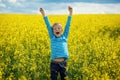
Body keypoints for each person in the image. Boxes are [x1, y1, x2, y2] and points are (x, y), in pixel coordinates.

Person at [39, 6, 73, 80]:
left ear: (62, 30)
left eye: (58, 28)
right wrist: (43, 14)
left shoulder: (64, 37)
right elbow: (48, 25)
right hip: (54, 64)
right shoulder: (52, 37)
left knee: (64, 78)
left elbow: (68, 25)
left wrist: (70, 13)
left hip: (64, 63)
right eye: (54, 29)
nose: (56, 29)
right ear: (52, 31)